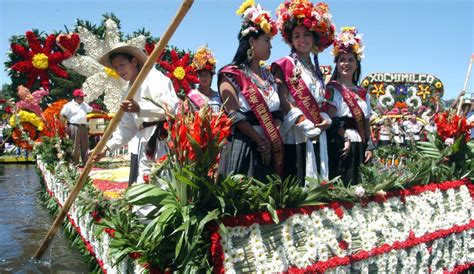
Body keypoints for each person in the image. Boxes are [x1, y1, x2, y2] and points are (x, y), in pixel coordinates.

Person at [218, 1, 284, 182]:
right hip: (245, 144)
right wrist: (259, 139)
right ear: (252, 42)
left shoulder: (269, 75)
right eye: (267, 40)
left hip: (270, 146)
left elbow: (277, 110)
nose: (270, 46)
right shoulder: (230, 74)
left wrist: (273, 132)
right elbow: (233, 113)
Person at [95, 43, 180, 184]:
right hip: (143, 143)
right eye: (116, 68)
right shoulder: (127, 93)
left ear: (134, 61)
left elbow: (171, 109)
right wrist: (107, 147)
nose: (119, 70)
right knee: (145, 185)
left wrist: (140, 108)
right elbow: (126, 128)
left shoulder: (155, 78)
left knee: (164, 185)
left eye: (122, 65)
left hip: (162, 140)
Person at [271, 0, 335, 184]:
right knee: (296, 181)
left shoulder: (316, 72)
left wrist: (324, 118)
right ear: (290, 40)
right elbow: (281, 98)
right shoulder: (284, 64)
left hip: (316, 133)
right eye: (297, 35)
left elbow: (319, 100)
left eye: (307, 35)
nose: (302, 39)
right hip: (295, 132)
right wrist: (301, 121)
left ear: (315, 38)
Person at [325, 27, 374, 185]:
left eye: (350, 59)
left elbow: (366, 121)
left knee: (358, 185)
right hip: (340, 143)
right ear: (337, 64)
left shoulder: (363, 92)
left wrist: (370, 146)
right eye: (342, 60)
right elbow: (331, 118)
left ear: (357, 63)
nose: (346, 63)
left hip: (359, 144)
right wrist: (343, 137)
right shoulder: (332, 89)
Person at [61, 89, 105, 166]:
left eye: (83, 97)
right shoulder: (68, 105)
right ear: (76, 97)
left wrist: (101, 112)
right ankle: (75, 164)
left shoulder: (84, 104)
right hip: (74, 126)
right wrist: (65, 125)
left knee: (85, 145)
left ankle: (86, 163)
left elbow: (91, 110)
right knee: (75, 146)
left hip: (83, 126)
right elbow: (62, 115)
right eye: (81, 97)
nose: (83, 98)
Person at [188, 45, 221, 112]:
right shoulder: (193, 95)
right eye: (200, 75)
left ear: (211, 77)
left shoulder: (219, 96)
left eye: (206, 75)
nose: (203, 78)